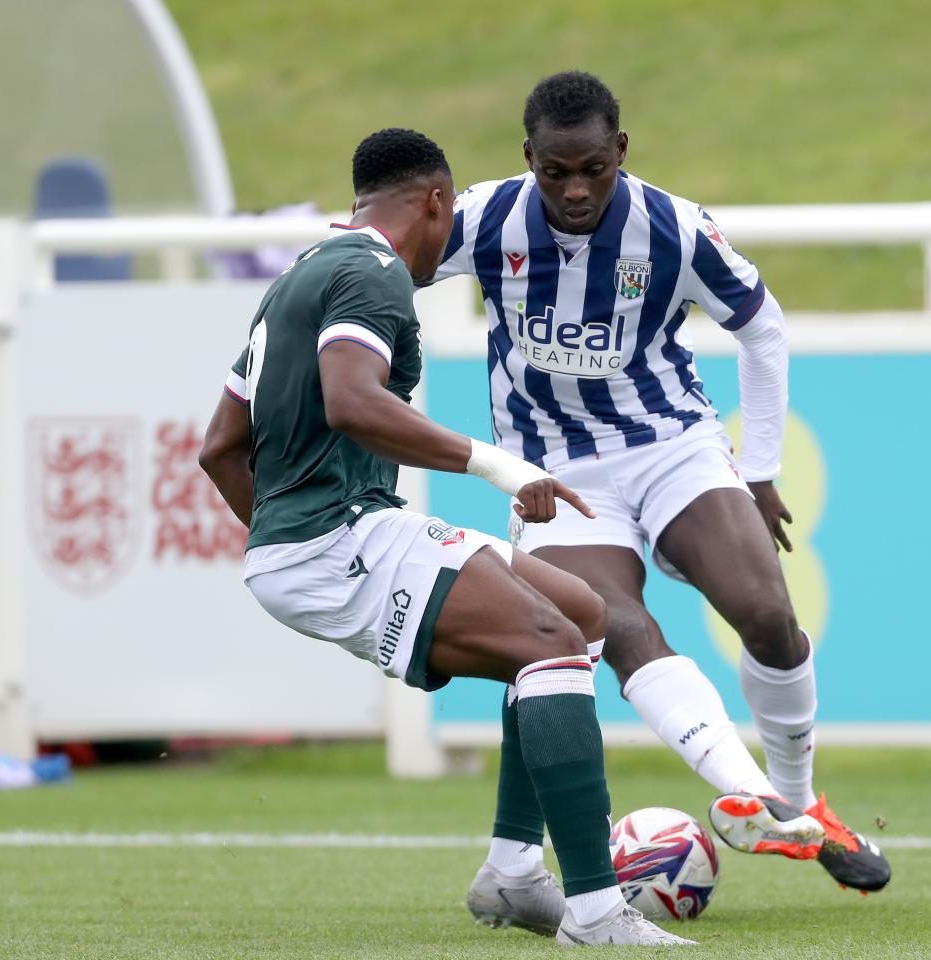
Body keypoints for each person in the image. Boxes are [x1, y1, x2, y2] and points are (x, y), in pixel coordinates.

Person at [198, 127, 693, 947]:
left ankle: (511, 873)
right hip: (339, 535)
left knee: (578, 610)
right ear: (435, 201)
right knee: (549, 645)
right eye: (449, 212)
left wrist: (281, 541)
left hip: (334, 532)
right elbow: (352, 402)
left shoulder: (302, 275)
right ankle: (598, 913)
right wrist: (495, 467)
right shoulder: (374, 274)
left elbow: (219, 447)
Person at [430, 72, 891, 902]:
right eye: (555, 172)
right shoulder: (484, 217)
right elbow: (391, 255)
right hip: (558, 470)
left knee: (769, 616)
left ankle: (797, 796)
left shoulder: (674, 228)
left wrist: (759, 471)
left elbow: (763, 329)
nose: (575, 190)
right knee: (614, 624)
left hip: (669, 444)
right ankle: (765, 808)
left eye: (594, 170)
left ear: (622, 153)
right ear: (527, 158)